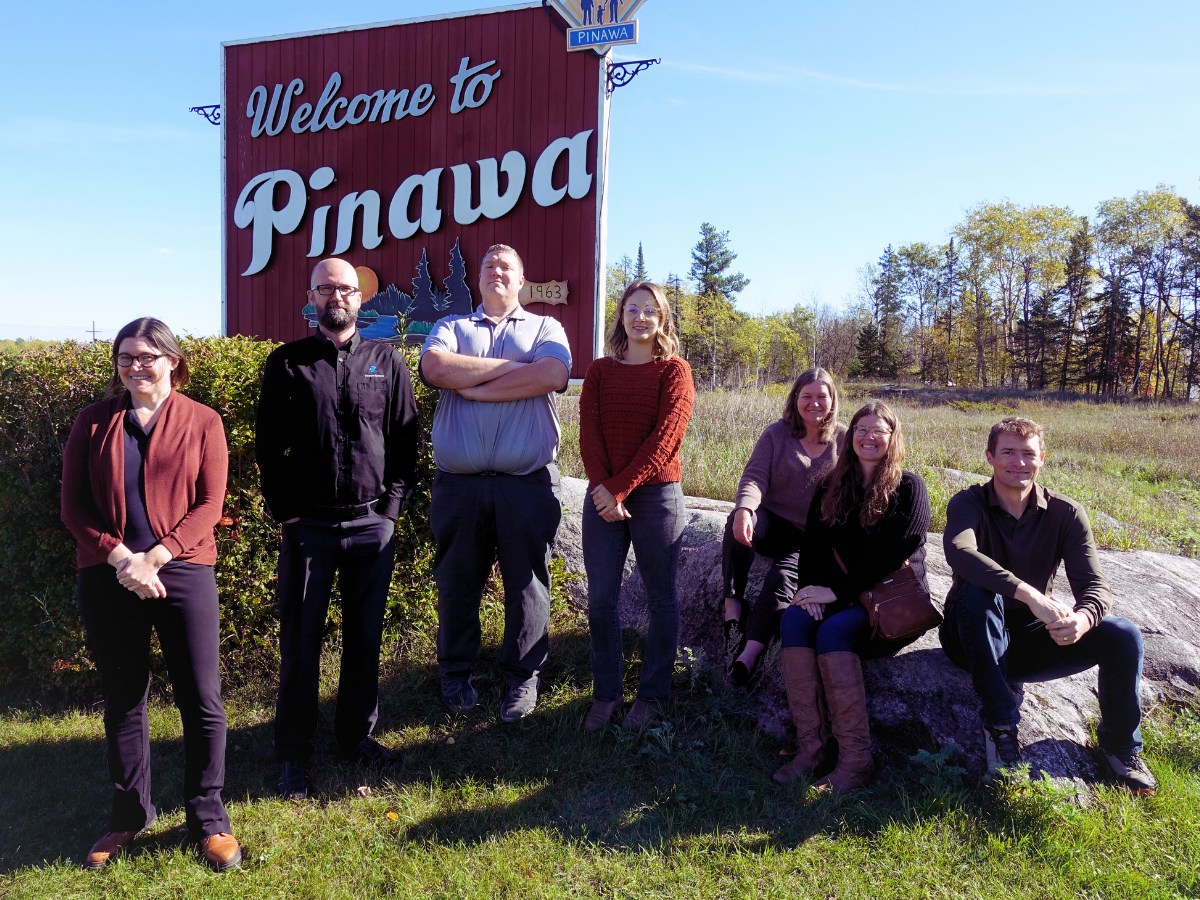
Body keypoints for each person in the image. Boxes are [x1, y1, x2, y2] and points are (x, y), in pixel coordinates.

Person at [61, 318, 241, 871]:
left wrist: (157, 556)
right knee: (123, 698)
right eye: (125, 356)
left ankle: (209, 819)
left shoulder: (203, 420)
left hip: (182, 569)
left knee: (202, 698)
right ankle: (127, 816)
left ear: (172, 361)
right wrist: (122, 559)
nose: (135, 365)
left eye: (146, 355)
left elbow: (211, 503)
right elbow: (73, 507)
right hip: (109, 574)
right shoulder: (92, 423)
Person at [256, 258, 420, 801]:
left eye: (346, 288)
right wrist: (288, 513)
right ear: (313, 297)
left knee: (364, 640)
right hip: (310, 529)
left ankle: (356, 739)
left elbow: (404, 442)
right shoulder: (288, 363)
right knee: (300, 645)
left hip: (371, 526)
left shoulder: (386, 361)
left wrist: (391, 510)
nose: (337, 297)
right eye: (327, 288)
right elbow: (267, 450)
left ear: (360, 298)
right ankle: (293, 755)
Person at [939, 417, 1155, 794]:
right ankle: (1001, 728)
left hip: (1026, 641)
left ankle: (1120, 749)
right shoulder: (967, 503)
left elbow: (1095, 586)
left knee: (1123, 635)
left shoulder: (1066, 513)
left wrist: (1084, 620)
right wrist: (1030, 594)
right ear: (990, 456)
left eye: (1028, 454)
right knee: (978, 594)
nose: (1018, 462)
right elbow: (961, 553)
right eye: (1008, 452)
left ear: (1042, 459)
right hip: (970, 636)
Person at [420, 244, 572, 722]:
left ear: (521, 279)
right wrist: (516, 374)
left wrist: (470, 385)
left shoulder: (547, 327)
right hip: (459, 484)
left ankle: (521, 679)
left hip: (525, 482)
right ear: (478, 279)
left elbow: (553, 372)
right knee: (457, 583)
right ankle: (456, 673)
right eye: (488, 266)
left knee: (527, 585)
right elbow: (435, 368)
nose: (496, 272)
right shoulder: (452, 327)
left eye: (506, 267)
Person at [773, 400, 930, 792]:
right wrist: (809, 592)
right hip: (840, 597)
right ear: (850, 437)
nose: (869, 437)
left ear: (893, 438)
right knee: (793, 619)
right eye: (861, 429)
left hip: (889, 605)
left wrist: (835, 592)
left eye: (879, 430)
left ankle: (856, 761)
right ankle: (812, 747)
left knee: (833, 633)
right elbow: (812, 548)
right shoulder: (830, 486)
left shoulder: (909, 487)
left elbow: (895, 553)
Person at [578, 282, 695, 731]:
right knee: (602, 599)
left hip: (656, 497)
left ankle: (651, 696)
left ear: (662, 319)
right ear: (621, 315)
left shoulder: (675, 371)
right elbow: (590, 435)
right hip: (604, 494)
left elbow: (667, 438)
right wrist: (604, 488)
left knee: (660, 597)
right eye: (633, 309)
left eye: (651, 311)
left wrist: (621, 488)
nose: (641, 317)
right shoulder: (600, 371)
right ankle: (606, 695)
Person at [725, 369, 847, 685]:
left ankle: (748, 654)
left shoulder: (845, 440)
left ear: (833, 400)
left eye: (822, 396)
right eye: (807, 396)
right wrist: (745, 509)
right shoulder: (777, 434)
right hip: (772, 520)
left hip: (810, 537)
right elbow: (754, 476)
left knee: (782, 578)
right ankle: (732, 604)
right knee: (738, 520)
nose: (814, 403)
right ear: (795, 399)